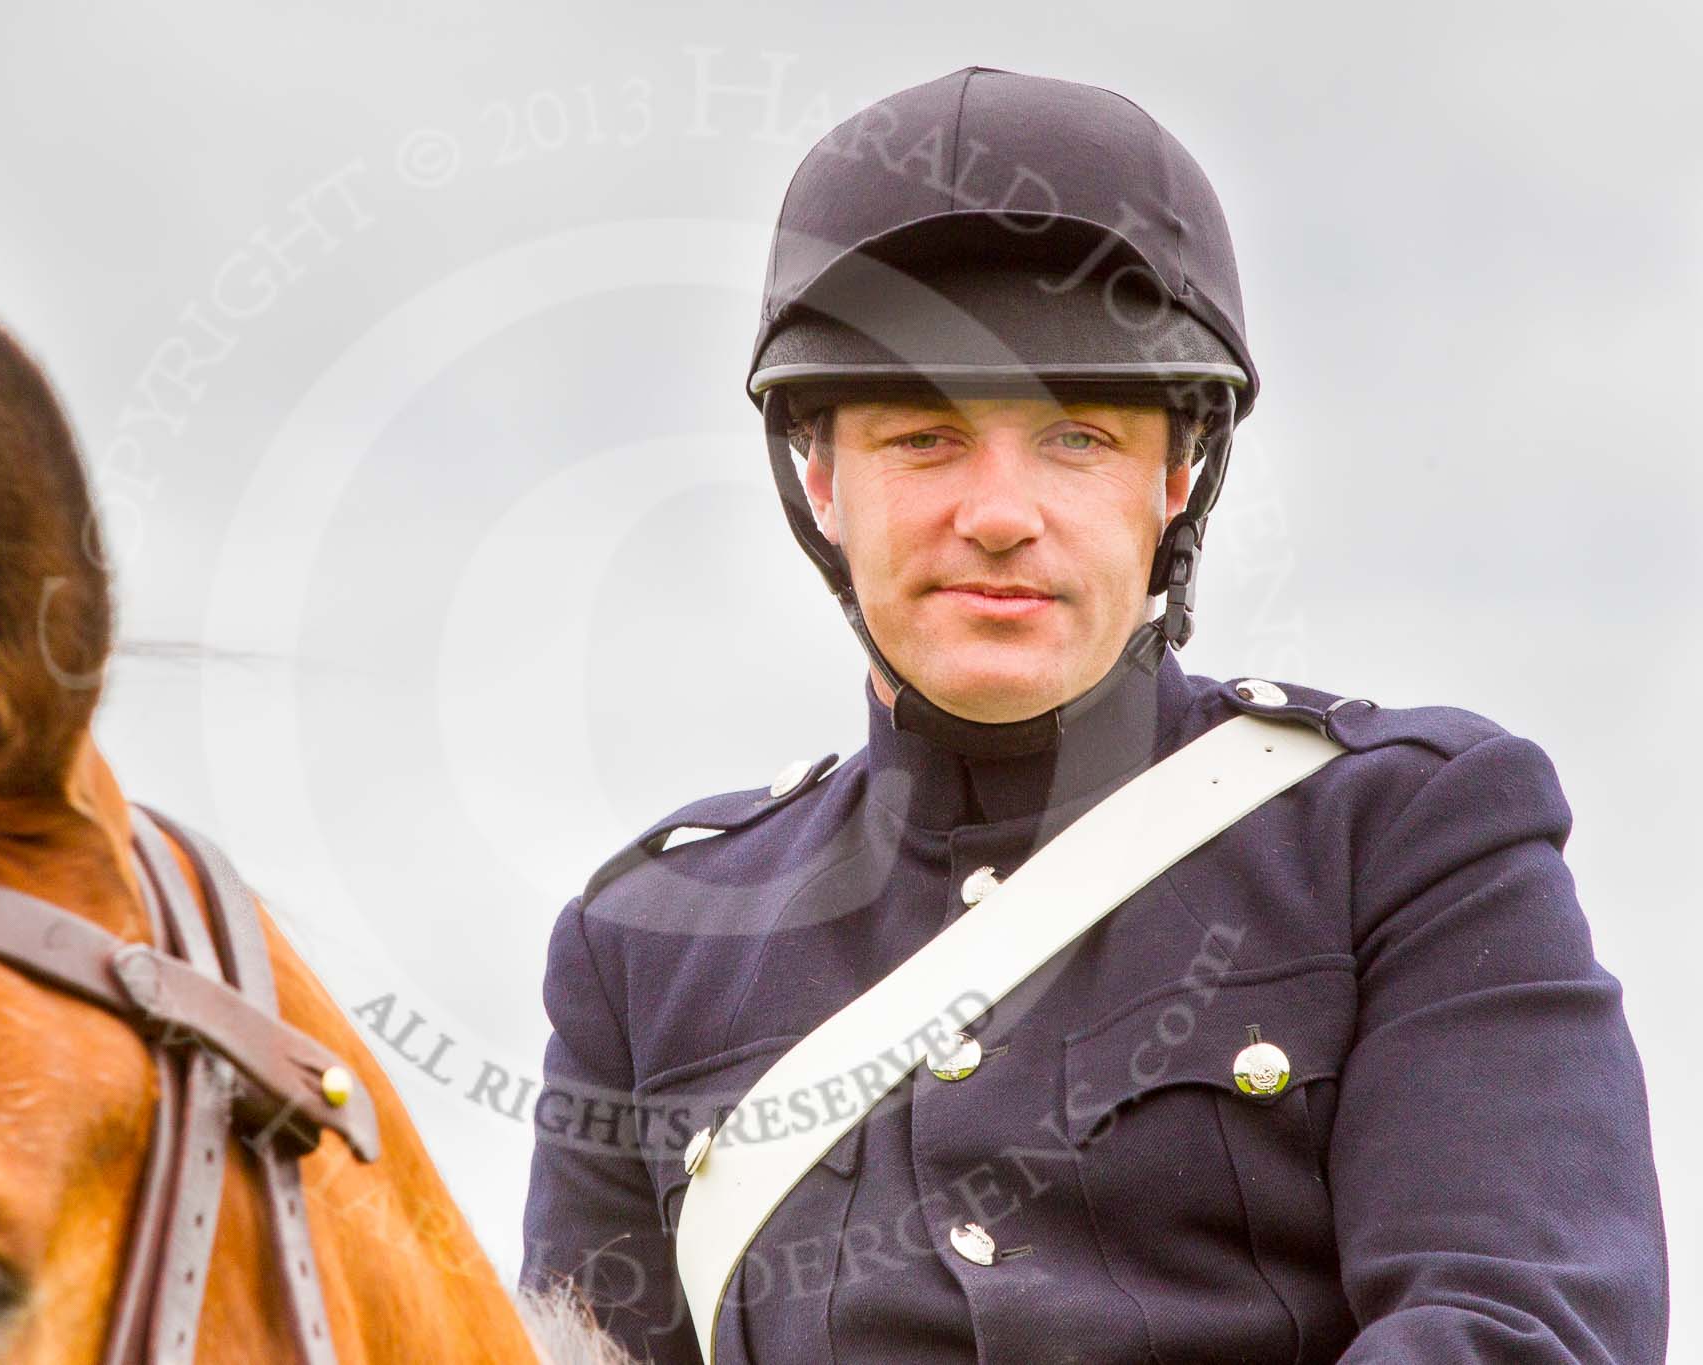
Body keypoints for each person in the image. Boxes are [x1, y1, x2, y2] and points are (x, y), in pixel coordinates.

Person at [519, 67, 1668, 1363]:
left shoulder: (1403, 839)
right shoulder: (644, 951)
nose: (1002, 510)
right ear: (820, 477)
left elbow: (1522, 1330)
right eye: (922, 439)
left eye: (1074, 436)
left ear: (1176, 474)